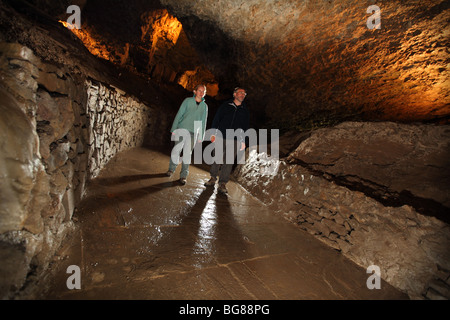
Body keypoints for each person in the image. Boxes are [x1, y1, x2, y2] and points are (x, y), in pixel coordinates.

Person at [204, 87, 250, 194]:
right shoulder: (225, 106)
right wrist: (213, 133)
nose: (242, 95)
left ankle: (223, 183)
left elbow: (245, 127)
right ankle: (212, 178)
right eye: (240, 93)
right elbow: (217, 119)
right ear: (234, 94)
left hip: (235, 139)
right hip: (221, 135)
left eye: (244, 93)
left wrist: (244, 141)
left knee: (228, 162)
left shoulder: (245, 110)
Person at [167, 84, 208, 185]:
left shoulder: (205, 106)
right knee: (176, 150)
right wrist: (174, 128)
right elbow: (179, 113)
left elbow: (203, 122)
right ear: (195, 91)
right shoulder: (187, 101)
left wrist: (201, 136)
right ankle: (171, 169)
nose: (201, 93)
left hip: (194, 133)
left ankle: (183, 176)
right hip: (182, 129)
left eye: (203, 91)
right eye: (199, 90)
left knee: (187, 154)